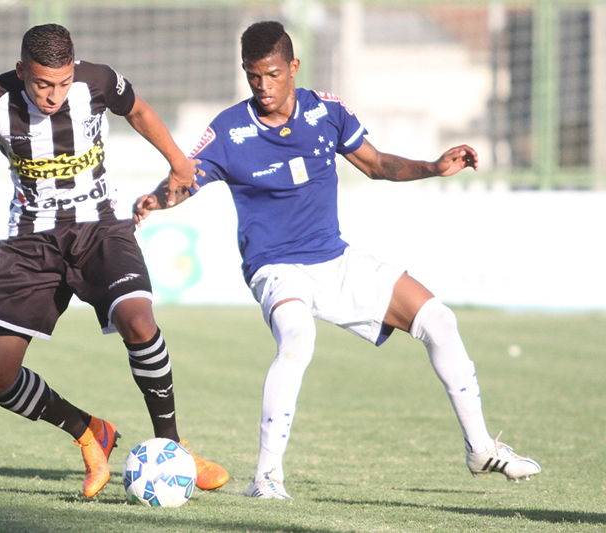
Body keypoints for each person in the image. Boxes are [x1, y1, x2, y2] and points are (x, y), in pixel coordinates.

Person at [134, 20, 540, 499]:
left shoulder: (327, 111)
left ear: (293, 67)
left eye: (272, 74)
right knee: (297, 339)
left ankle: (480, 448)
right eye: (253, 75)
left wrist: (433, 166)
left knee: (439, 319)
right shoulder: (229, 129)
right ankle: (266, 478)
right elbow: (187, 177)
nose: (263, 86)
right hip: (275, 267)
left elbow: (376, 165)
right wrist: (156, 200)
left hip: (335, 259)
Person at [0, 23, 228, 498]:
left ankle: (174, 448)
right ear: (22, 71)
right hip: (31, 240)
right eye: (42, 83)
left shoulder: (97, 81)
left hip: (100, 227)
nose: (53, 95)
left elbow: (139, 111)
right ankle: (89, 432)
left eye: (62, 83)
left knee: (139, 321)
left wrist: (178, 162)